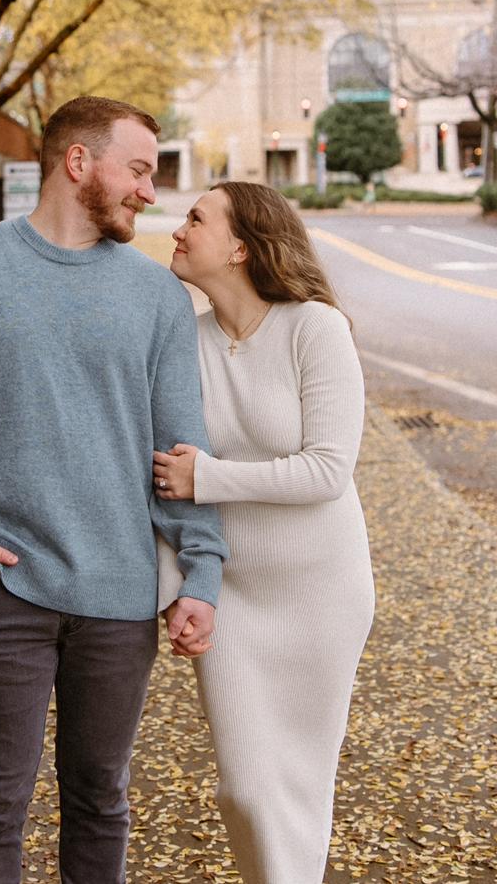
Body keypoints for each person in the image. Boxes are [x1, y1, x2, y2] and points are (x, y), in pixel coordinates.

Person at [0, 95, 227, 884]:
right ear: (78, 162)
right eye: (137, 169)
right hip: (0, 587)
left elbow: (182, 450)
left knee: (101, 798)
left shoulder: (157, 298)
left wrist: (200, 569)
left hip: (120, 596)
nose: (147, 190)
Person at [153, 181, 373, 884]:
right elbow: (159, 482)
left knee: (302, 787)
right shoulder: (183, 344)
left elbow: (327, 471)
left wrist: (211, 478)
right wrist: (177, 588)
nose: (178, 230)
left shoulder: (316, 328)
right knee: (245, 790)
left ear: (242, 246)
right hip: (234, 596)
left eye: (195, 218)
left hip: (321, 594)